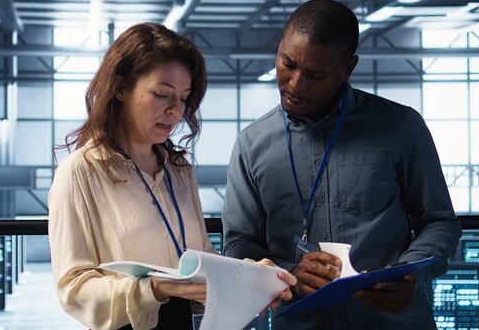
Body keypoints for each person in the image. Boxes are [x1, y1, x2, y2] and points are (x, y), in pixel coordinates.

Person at [222, 0, 462, 329]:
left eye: (315, 75)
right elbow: (238, 243)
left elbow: (440, 222)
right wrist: (288, 272)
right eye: (287, 64)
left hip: (394, 322)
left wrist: (411, 272)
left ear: (348, 68)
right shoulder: (252, 144)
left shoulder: (399, 126)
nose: (295, 85)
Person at [48, 22, 295, 330]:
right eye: (162, 94)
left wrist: (252, 276)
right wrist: (155, 288)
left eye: (183, 97)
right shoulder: (80, 173)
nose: (175, 111)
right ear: (121, 88)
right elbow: (73, 290)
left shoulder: (178, 170)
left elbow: (202, 257)